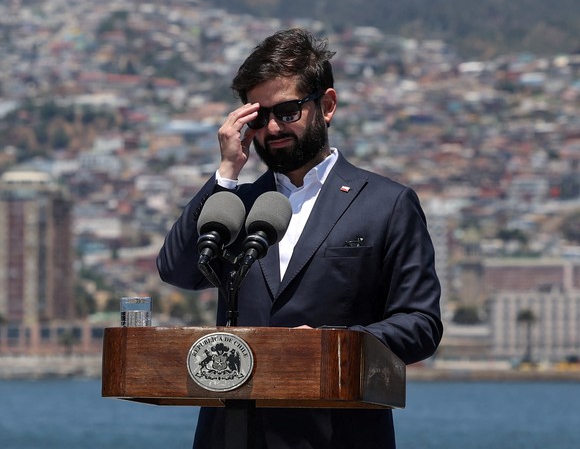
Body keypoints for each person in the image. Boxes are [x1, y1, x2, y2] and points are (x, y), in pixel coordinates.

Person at [157, 28, 443, 449]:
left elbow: (421, 324)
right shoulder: (236, 205)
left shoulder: (387, 204)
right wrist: (226, 174)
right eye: (260, 116)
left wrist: (332, 345)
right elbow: (178, 269)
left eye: (288, 111)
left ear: (326, 106)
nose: (273, 127)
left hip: (338, 434)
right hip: (232, 435)